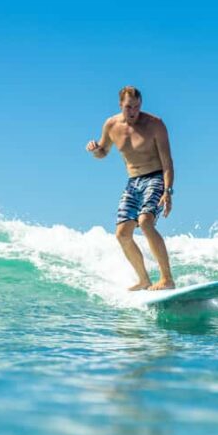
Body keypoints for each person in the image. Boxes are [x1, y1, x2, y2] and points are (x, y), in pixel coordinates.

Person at [86, 86, 176, 290]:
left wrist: (168, 191)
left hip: (155, 178)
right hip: (133, 182)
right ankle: (144, 280)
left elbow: (167, 162)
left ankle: (167, 278)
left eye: (137, 106)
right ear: (120, 105)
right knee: (122, 234)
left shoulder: (155, 124)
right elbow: (103, 152)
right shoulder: (111, 125)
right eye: (129, 107)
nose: (133, 111)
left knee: (145, 222)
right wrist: (95, 149)